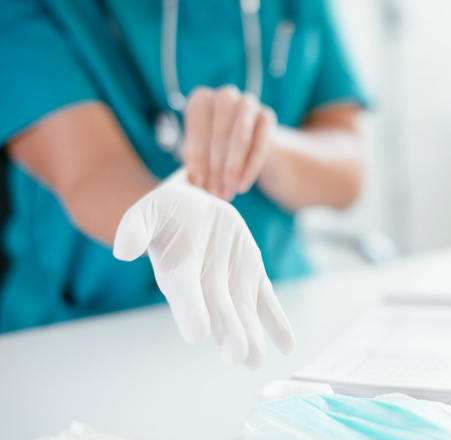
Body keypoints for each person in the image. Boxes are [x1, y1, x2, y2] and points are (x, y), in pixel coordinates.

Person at [0, 0, 368, 366]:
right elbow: (90, 172)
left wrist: (261, 143)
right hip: (86, 335)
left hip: (279, 304)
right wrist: (167, 214)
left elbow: (347, 170)